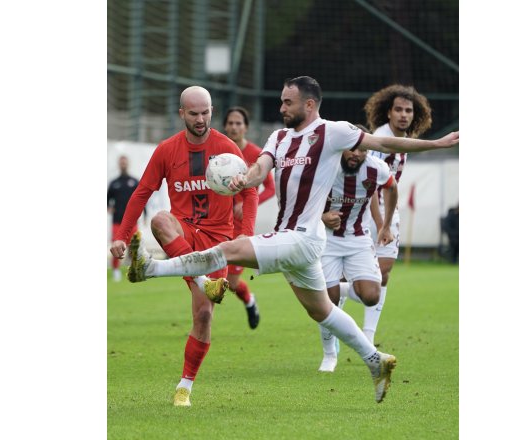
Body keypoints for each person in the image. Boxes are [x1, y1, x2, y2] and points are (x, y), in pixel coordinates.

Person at [124, 76, 458, 404]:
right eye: (282, 100)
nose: (281, 106)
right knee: (322, 312)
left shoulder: (333, 132)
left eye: (288, 102)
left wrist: (437, 144)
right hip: (294, 242)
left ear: (309, 104)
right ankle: (377, 360)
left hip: (302, 238)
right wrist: (242, 180)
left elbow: (384, 144)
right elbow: (259, 171)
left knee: (228, 250)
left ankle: (150, 268)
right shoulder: (279, 137)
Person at [109, 86, 259, 408]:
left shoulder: (226, 147)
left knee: (203, 315)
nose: (201, 119)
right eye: (194, 113)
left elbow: (250, 192)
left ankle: (184, 387)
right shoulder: (167, 150)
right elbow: (141, 193)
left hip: (218, 239)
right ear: (182, 114)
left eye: (206, 112)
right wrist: (121, 235)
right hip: (183, 233)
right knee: (160, 220)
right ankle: (204, 281)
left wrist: (244, 236)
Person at [335, 84, 434, 347]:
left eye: (408, 110)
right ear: (388, 112)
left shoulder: (402, 138)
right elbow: (370, 187)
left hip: (389, 212)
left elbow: (389, 186)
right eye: (398, 109)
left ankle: (368, 333)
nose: (404, 114)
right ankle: (332, 305)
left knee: (384, 273)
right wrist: (382, 225)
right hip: (367, 212)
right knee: (362, 276)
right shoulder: (380, 139)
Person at [315, 125, 399, 373]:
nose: (356, 153)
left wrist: (384, 225)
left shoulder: (376, 168)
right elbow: (301, 197)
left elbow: (392, 187)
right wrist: (321, 217)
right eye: (351, 148)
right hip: (327, 240)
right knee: (326, 303)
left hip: (358, 240)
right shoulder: (324, 165)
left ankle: (338, 289)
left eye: (362, 149)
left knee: (372, 295)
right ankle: (330, 355)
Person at [222, 107, 276, 329]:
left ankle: (249, 301)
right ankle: (202, 320)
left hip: (240, 226)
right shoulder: (220, 152)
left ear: (246, 127)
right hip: (217, 221)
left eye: (238, 123)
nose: (234, 127)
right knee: (209, 272)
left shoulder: (255, 153)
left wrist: (246, 203)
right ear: (225, 126)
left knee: (232, 283)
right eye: (230, 123)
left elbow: (270, 188)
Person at [107, 155, 140, 282]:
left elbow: (141, 199)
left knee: (135, 247)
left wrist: (144, 213)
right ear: (119, 165)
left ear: (128, 164)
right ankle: (115, 271)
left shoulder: (134, 181)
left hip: (132, 222)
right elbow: (107, 198)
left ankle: (134, 270)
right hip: (117, 221)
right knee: (116, 247)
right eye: (121, 163)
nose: (123, 165)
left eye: (125, 163)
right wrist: (108, 207)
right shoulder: (114, 183)